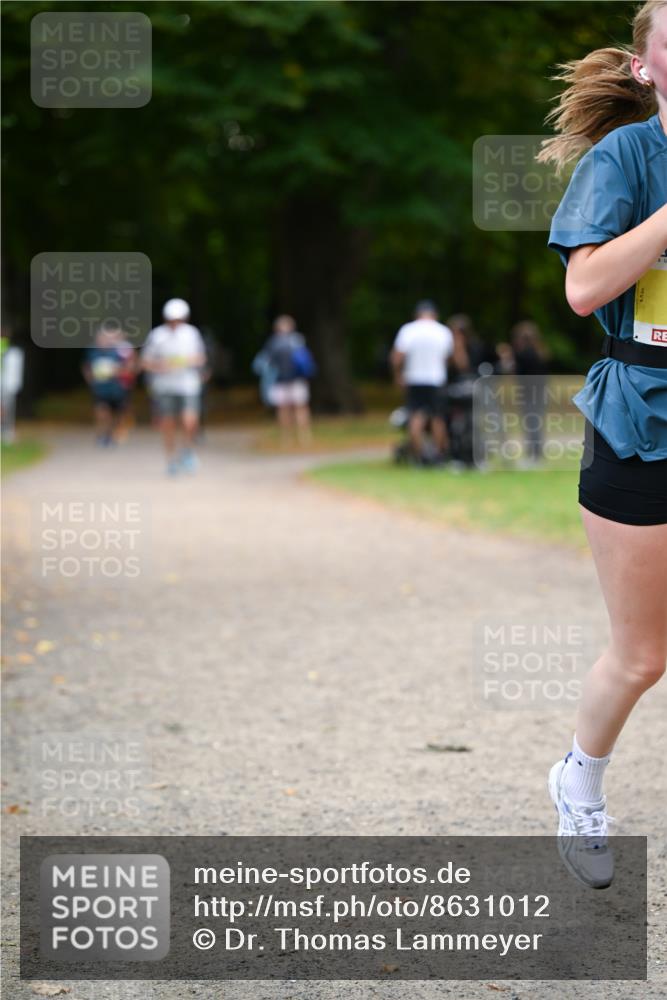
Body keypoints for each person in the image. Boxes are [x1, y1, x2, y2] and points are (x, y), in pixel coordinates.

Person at [539, 0, 667, 888]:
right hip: (641, 418)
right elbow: (583, 288)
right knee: (643, 653)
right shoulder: (623, 158)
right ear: (645, 66)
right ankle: (578, 781)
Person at [141, 298, 206, 475]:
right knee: (167, 423)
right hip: (164, 386)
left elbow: (201, 358)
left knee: (189, 420)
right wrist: (159, 366)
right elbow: (145, 361)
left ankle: (187, 450)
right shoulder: (157, 335)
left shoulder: (192, 334)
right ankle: (171, 459)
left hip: (188, 385)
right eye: (172, 319)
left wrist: (186, 361)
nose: (175, 323)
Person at [390, 300, 454, 465]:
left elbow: (397, 357)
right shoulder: (443, 331)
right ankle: (439, 456)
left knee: (415, 417)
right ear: (435, 314)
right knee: (437, 418)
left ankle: (418, 457)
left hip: (414, 378)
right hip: (436, 379)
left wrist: (398, 375)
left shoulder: (408, 330)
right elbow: (448, 357)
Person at [260, 315, 314, 445]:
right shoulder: (296, 340)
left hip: (286, 380)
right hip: (291, 380)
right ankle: (298, 437)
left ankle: (292, 437)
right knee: (293, 408)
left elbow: (265, 363)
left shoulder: (275, 342)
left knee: (290, 408)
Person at [82, 325, 132, 447]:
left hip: (117, 389)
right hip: (100, 389)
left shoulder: (120, 351)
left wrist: (117, 371)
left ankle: (111, 435)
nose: (104, 340)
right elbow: (86, 367)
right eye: (101, 338)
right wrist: (91, 380)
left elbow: (129, 366)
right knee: (102, 412)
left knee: (117, 415)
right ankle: (102, 435)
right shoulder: (92, 351)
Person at [510, 320, 550, 466]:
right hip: (539, 392)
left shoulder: (524, 354)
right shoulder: (540, 352)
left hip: (529, 393)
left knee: (531, 423)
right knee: (535, 423)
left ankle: (533, 454)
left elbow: (518, 372)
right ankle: (536, 453)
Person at [0, 332, 24, 444]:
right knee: (6, 408)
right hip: (6, 384)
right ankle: (6, 431)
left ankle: (6, 431)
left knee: (6, 408)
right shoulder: (9, 349)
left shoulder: (9, 350)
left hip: (6, 384)